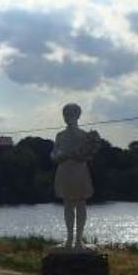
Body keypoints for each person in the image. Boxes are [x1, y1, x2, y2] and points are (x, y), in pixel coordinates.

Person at [51, 103, 100, 248]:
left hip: (79, 171)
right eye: (65, 114)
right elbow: (53, 154)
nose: (67, 117)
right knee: (67, 205)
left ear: (78, 115)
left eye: (71, 114)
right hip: (65, 170)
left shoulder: (85, 136)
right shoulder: (60, 135)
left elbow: (89, 154)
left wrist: (84, 154)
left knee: (80, 204)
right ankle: (69, 238)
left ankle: (79, 239)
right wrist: (58, 155)